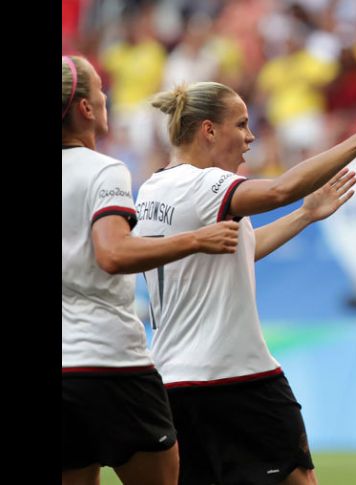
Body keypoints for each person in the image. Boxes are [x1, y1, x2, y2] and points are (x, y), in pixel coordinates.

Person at [134, 80, 356, 485]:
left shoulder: (153, 190)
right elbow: (280, 188)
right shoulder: (201, 185)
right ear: (209, 130)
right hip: (239, 377)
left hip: (174, 384)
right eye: (241, 124)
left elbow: (242, 250)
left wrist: (305, 215)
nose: (250, 137)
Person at [62, 56, 241, 485]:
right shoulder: (104, 169)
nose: (106, 96)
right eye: (101, 89)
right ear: (86, 108)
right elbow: (113, 254)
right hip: (111, 362)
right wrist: (197, 239)